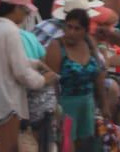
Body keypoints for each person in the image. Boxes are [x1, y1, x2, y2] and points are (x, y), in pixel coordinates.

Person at [0, 0, 53, 152]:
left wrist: (34, 63)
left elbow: (5, 61)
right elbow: (21, 72)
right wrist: (43, 80)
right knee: (10, 148)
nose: (25, 16)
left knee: (4, 145)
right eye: (25, 12)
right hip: (6, 100)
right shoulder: (11, 31)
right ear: (16, 8)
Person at [44, 8, 106, 149]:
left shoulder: (90, 44)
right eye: (69, 27)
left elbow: (98, 76)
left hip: (87, 105)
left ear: (85, 30)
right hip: (65, 106)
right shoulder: (57, 46)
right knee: (66, 146)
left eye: (77, 28)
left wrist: (104, 105)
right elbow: (51, 82)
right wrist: (54, 112)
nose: (71, 32)